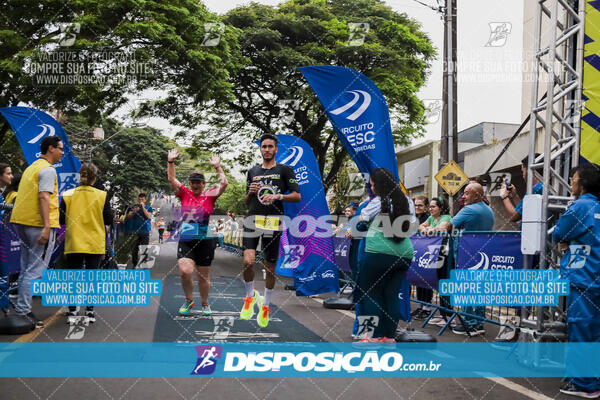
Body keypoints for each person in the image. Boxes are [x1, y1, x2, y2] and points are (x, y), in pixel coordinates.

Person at [240, 134, 300, 328]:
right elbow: (247, 201)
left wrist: (277, 197)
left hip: (273, 221)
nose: (266, 149)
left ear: (276, 149)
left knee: (269, 267)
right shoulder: (252, 171)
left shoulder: (284, 170)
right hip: (252, 219)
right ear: (260, 149)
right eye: (264, 146)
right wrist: (250, 192)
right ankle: (250, 296)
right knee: (248, 262)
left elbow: (297, 196)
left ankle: (265, 304)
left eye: (270, 147)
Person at [553, 163, 600, 398]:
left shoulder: (581, 205)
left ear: (582, 184)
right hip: (594, 276)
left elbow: (559, 233)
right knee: (596, 332)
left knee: (581, 330)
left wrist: (568, 244)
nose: (571, 183)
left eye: (573, 179)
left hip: (584, 278)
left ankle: (583, 384)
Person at [10, 136, 64, 327]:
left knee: (26, 268)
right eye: (60, 148)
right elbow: (43, 197)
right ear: (50, 149)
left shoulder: (31, 168)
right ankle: (23, 311)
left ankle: (20, 310)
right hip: (38, 225)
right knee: (34, 271)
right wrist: (47, 226)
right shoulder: (48, 170)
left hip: (22, 223)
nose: (62, 152)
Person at [355, 168, 414, 342]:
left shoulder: (377, 202)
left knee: (369, 294)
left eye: (373, 185)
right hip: (404, 254)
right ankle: (388, 338)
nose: (372, 188)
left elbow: (361, 221)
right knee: (391, 295)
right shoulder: (408, 201)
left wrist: (361, 224)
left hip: (377, 253)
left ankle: (370, 337)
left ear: (379, 185)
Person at [168, 148, 228, 316]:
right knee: (185, 271)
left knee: (203, 276)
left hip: (205, 239)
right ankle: (189, 300)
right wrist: (171, 162)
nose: (195, 185)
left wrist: (218, 167)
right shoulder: (184, 194)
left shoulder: (210, 195)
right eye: (192, 182)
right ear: (190, 184)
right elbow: (172, 179)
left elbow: (224, 184)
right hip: (187, 237)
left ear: (203, 184)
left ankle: (205, 303)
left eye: (198, 182)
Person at [60, 163, 113, 323]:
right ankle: (89, 312)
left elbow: (62, 219)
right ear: (94, 179)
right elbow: (109, 219)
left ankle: (71, 312)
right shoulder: (102, 195)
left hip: (74, 241)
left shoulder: (68, 195)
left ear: (80, 176)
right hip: (94, 242)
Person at [446, 183, 494, 335]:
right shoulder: (489, 210)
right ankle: (478, 322)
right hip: (483, 254)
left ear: (477, 195)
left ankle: (469, 323)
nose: (463, 197)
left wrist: (431, 229)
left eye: (467, 193)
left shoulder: (468, 210)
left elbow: (447, 226)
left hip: (466, 254)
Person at [500, 153, 543, 222]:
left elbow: (514, 216)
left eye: (523, 171)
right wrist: (514, 195)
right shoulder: (541, 187)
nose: (523, 175)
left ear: (528, 171)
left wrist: (504, 196)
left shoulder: (535, 190)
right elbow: (523, 212)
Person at [125, 193, 153, 268]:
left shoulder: (148, 207)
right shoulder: (134, 207)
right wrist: (134, 211)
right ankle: (134, 264)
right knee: (134, 250)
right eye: (139, 199)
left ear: (145, 200)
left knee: (144, 249)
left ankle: (144, 265)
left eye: (142, 199)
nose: (141, 201)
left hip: (144, 232)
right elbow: (129, 217)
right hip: (135, 232)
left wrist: (143, 208)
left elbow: (148, 216)